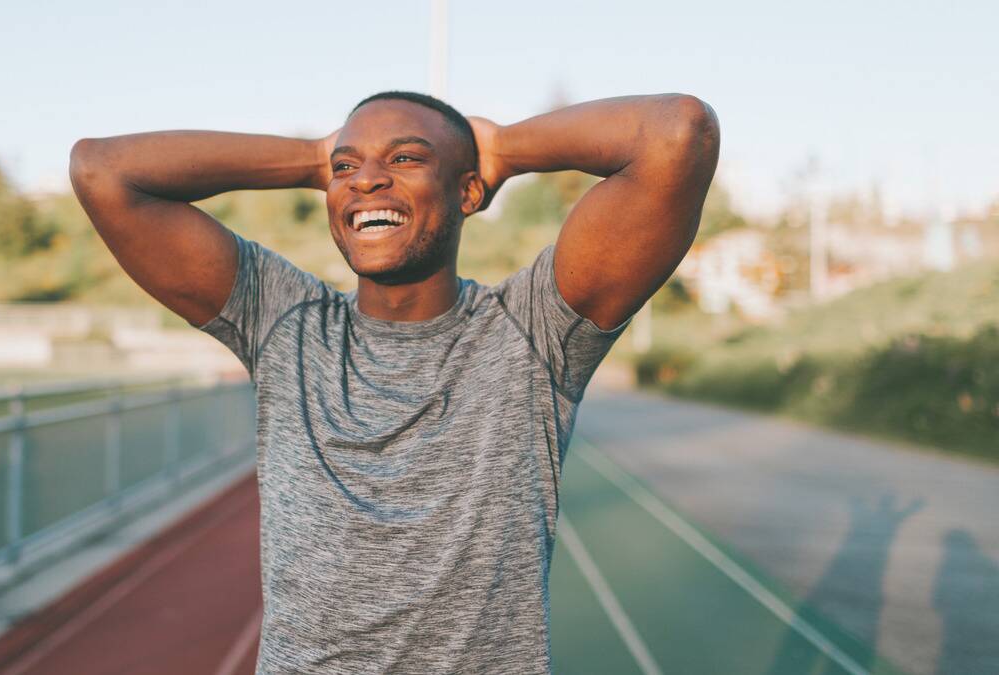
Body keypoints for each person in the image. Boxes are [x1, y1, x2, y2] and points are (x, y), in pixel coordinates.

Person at [69, 91, 719, 674]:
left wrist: (502, 148)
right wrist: (311, 158)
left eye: (405, 159)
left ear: (469, 191)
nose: (367, 180)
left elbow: (677, 133)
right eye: (347, 168)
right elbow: (103, 170)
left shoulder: (530, 331)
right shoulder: (283, 320)